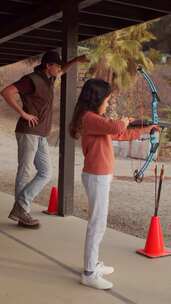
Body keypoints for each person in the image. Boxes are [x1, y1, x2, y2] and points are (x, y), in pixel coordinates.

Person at [69, 78, 158, 290]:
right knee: (96, 225)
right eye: (107, 100)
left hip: (100, 176)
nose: (108, 104)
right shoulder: (89, 118)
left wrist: (146, 130)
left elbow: (119, 133)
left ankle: (93, 264)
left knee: (98, 223)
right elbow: (118, 126)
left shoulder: (95, 119)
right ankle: (89, 272)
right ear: (97, 99)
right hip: (96, 176)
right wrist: (127, 120)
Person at [1, 50, 88, 228]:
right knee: (25, 172)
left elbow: (63, 70)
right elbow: (6, 92)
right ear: (48, 66)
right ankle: (22, 212)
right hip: (28, 132)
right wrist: (23, 114)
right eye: (57, 65)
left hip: (41, 134)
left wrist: (77, 60)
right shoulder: (31, 79)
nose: (59, 69)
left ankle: (20, 207)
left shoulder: (50, 79)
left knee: (45, 172)